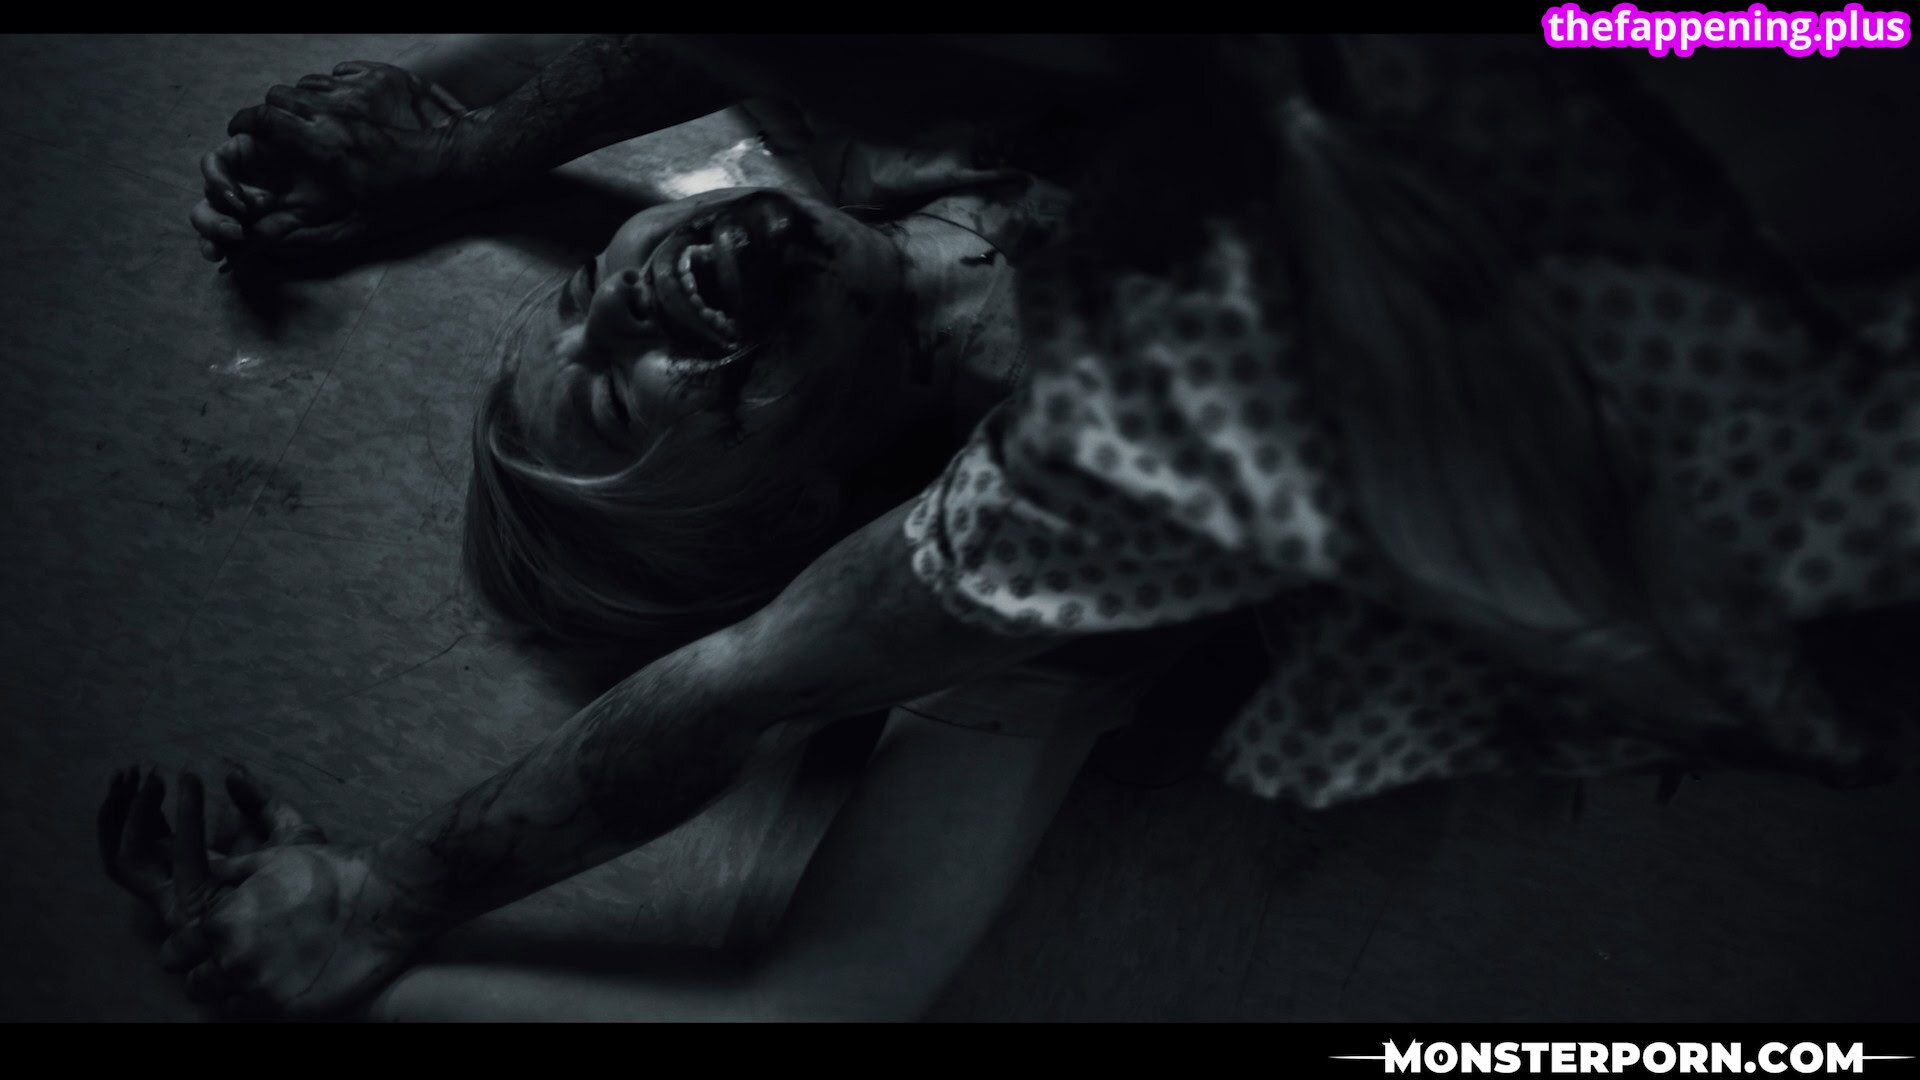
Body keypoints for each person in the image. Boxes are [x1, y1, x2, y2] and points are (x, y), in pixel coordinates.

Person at [121, 34, 1917, 1019]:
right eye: (617, 394)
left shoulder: (882, 127)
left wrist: (467, 135)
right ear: (791, 507)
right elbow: (817, 992)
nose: (624, 302)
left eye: (586, 286)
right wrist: (380, 938)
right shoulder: (1044, 569)